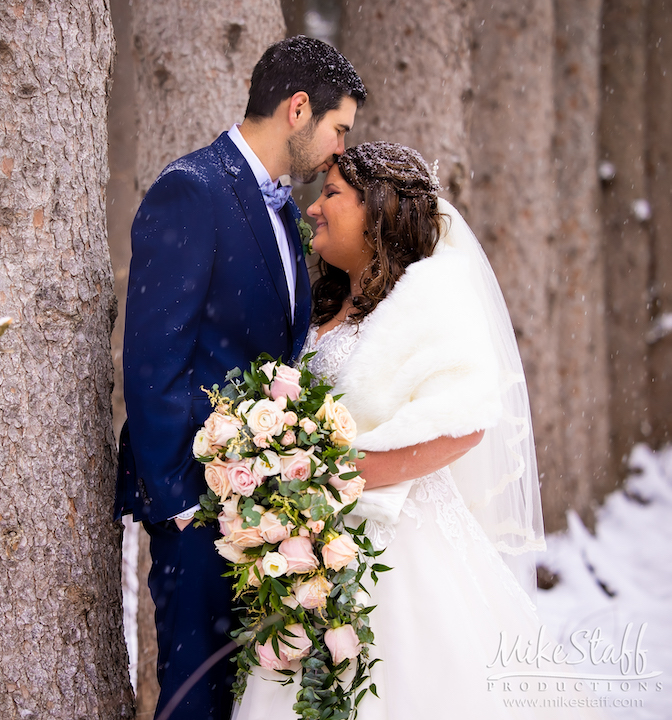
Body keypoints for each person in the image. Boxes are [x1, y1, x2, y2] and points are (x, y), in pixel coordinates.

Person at [233, 142, 604, 719]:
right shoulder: (318, 305)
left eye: (331, 194)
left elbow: (464, 427)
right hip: (311, 551)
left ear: (377, 209)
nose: (312, 209)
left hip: (403, 545)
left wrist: (337, 476)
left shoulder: (428, 301)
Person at [116, 37, 367, 720]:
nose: (341, 148)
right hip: (198, 513)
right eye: (339, 128)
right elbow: (152, 358)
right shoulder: (192, 191)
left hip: (262, 518)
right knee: (197, 700)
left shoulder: (282, 209)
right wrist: (178, 504)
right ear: (297, 109)